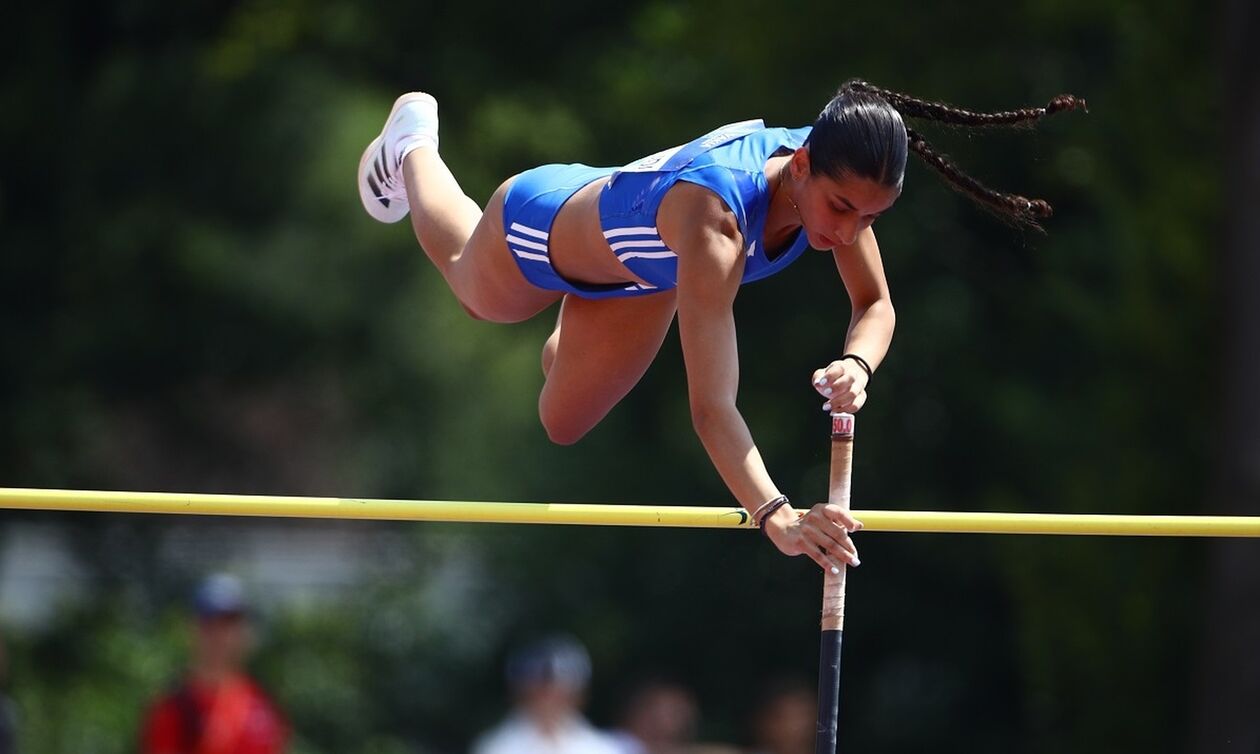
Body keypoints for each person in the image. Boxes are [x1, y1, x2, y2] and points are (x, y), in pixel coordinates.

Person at [357, 80, 1083, 573]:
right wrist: (777, 517)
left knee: (563, 419)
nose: (852, 230)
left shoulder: (838, 171)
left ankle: (572, 335)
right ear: (800, 166)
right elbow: (712, 408)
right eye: (841, 210)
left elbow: (876, 306)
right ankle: (414, 142)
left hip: (644, 272)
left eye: (872, 217)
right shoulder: (716, 228)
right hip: (544, 225)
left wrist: (857, 367)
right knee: (477, 293)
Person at [140, 574, 288, 754]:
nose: (220, 636)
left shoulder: (262, 705)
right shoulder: (175, 708)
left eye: (229, 624)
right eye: (209, 624)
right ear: (192, 629)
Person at [473, 635, 619, 754]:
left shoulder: (602, 748)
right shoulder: (495, 747)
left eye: (560, 694)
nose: (549, 702)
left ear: (579, 697)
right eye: (540, 694)